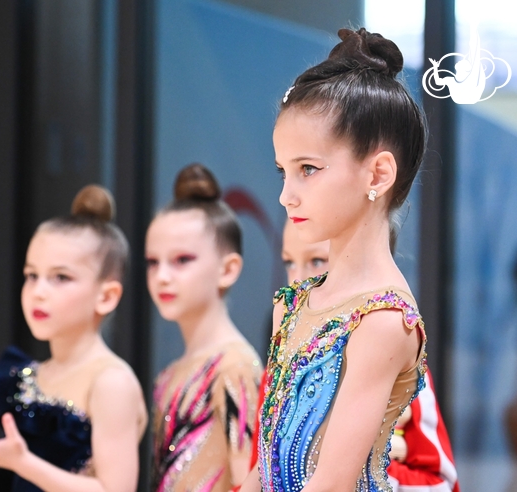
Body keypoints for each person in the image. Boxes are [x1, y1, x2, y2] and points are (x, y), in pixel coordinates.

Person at [241, 27, 431, 491]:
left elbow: (332, 483)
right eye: (283, 171)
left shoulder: (385, 319)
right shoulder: (292, 303)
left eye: (308, 169)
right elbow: (262, 467)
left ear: (378, 173)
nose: (286, 196)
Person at [0, 185, 147, 492]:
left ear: (106, 296)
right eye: (32, 275)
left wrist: (23, 462)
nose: (38, 292)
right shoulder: (28, 376)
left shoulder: (110, 381)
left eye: (60, 278)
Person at [274, 219, 459, 491]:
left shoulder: (396, 360)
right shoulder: (282, 361)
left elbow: (442, 482)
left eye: (316, 261)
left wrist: (371, 468)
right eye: (289, 262)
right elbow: (263, 467)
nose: (299, 278)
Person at [146, 163, 263, 492]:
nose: (163, 276)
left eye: (182, 260)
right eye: (153, 262)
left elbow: (248, 483)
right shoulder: (170, 374)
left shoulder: (234, 368)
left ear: (228, 269)